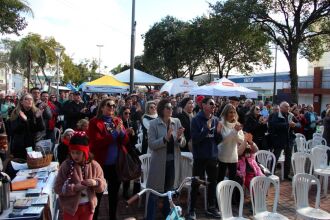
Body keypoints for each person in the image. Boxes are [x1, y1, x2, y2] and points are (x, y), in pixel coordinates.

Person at [88, 98, 129, 220]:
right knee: (98, 194)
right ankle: (94, 217)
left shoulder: (117, 120)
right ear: (102, 107)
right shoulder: (94, 122)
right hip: (101, 164)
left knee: (114, 195)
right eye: (109, 105)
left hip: (116, 164)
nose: (112, 107)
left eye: (114, 105)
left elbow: (125, 141)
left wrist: (122, 133)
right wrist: (115, 134)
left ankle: (113, 217)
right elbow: (96, 143)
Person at [146, 99, 185, 220]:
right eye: (168, 107)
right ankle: (150, 217)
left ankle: (167, 215)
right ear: (162, 110)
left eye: (172, 107)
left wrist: (179, 138)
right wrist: (165, 138)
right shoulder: (153, 124)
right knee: (154, 192)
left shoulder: (176, 122)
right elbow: (152, 144)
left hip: (173, 163)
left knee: (169, 192)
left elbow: (183, 143)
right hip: (158, 164)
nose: (171, 109)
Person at [54, 131, 106, 220]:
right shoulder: (66, 165)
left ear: (85, 152)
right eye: (72, 152)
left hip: (88, 207)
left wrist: (96, 182)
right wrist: (74, 188)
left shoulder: (94, 165)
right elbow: (58, 188)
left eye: (78, 152)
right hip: (70, 208)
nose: (75, 156)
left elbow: (104, 185)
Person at [188, 97, 223, 220]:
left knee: (213, 183)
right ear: (203, 105)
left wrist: (219, 133)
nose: (214, 106)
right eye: (211, 104)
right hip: (200, 157)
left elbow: (217, 141)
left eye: (215, 104)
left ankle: (212, 207)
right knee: (196, 183)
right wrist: (206, 129)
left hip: (212, 156)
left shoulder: (216, 119)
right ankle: (192, 210)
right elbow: (195, 140)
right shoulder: (196, 120)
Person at [10, 93, 45, 159]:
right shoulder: (16, 112)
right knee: (20, 164)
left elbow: (41, 128)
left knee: (31, 162)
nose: (29, 101)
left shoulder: (35, 111)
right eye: (26, 99)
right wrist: (24, 120)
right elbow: (13, 129)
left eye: (31, 99)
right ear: (21, 102)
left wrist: (38, 118)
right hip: (19, 145)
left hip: (31, 144)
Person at [268, 101, 296, 180]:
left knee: (288, 157)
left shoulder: (290, 115)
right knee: (276, 156)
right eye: (286, 107)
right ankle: (271, 173)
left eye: (288, 106)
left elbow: (298, 124)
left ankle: (286, 175)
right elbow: (274, 125)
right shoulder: (275, 115)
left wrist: (294, 125)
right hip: (279, 140)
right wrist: (288, 124)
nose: (288, 108)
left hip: (288, 139)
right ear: (281, 108)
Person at [218, 104, 244, 182]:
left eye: (234, 112)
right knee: (220, 178)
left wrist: (235, 132)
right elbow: (224, 139)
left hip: (233, 156)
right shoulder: (221, 123)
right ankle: (219, 194)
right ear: (226, 113)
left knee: (233, 179)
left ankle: (231, 194)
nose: (232, 114)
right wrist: (234, 131)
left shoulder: (237, 124)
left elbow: (241, 140)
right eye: (230, 112)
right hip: (223, 155)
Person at [119, 106, 140, 199]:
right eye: (126, 113)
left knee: (135, 168)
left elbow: (135, 139)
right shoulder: (119, 123)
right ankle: (124, 192)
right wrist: (125, 132)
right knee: (124, 170)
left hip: (131, 148)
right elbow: (118, 139)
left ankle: (134, 192)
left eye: (129, 113)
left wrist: (133, 133)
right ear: (122, 113)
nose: (128, 115)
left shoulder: (132, 123)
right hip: (122, 149)